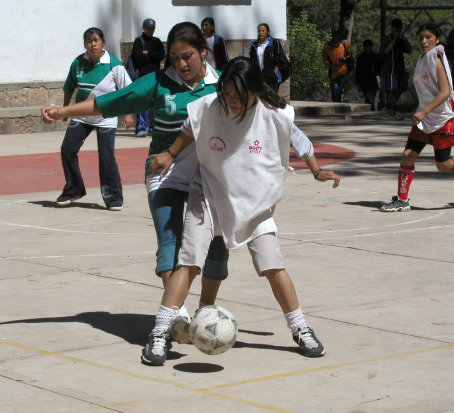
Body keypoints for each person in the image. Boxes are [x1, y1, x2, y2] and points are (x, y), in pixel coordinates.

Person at [141, 56, 340, 366]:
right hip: (207, 193)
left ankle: (300, 328)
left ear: (255, 92)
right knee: (189, 263)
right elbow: (187, 130)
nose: (231, 102)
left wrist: (316, 171)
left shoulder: (273, 113)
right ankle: (159, 332)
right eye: (227, 95)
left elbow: (299, 138)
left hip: (254, 202)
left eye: (238, 97)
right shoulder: (211, 106)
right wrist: (169, 154)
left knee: (273, 265)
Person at [42, 22, 230, 313]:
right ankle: (176, 315)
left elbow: (256, 109)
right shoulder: (157, 82)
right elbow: (108, 103)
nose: (181, 63)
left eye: (188, 56)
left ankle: (206, 309)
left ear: (203, 52)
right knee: (170, 240)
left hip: (208, 177)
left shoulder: (221, 85)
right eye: (175, 56)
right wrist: (63, 111)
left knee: (217, 246)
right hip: (165, 171)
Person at [56, 27, 134, 210]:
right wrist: (66, 110)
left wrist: (129, 114)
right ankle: (74, 189)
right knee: (67, 149)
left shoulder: (114, 66)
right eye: (89, 41)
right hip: (82, 116)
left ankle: (113, 197)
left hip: (106, 116)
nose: (93, 45)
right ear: (85, 44)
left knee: (106, 157)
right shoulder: (78, 63)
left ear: (103, 43)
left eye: (96, 41)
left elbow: (128, 92)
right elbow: (69, 87)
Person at [381, 22, 454, 212]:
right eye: (420, 37)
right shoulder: (423, 59)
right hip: (425, 120)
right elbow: (427, 93)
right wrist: (420, 111)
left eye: (428, 37)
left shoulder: (435, 56)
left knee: (444, 166)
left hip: (442, 120)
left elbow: (446, 92)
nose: (423, 41)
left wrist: (423, 111)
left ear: (436, 39)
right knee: (408, 155)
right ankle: (402, 200)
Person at [131, 18, 165, 137]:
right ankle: (141, 128)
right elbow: (138, 58)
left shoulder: (157, 41)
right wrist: (151, 56)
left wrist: (148, 53)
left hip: (156, 75)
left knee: (154, 103)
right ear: (143, 28)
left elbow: (161, 55)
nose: (150, 30)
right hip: (143, 76)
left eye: (152, 28)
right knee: (143, 103)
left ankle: (153, 128)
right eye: (148, 28)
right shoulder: (138, 41)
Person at [380, 18, 412, 120]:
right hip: (390, 68)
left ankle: (390, 107)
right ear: (392, 28)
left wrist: (404, 39)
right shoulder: (387, 38)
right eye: (395, 28)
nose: (397, 30)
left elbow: (409, 50)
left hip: (400, 68)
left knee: (400, 89)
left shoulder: (401, 40)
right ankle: (392, 109)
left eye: (399, 28)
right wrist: (394, 39)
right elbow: (385, 51)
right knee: (391, 90)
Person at [249, 23, 291, 93]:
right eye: (259, 31)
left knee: (272, 99)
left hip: (271, 77)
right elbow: (252, 60)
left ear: (268, 32)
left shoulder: (274, 43)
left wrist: (275, 72)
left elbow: (280, 58)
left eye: (263, 31)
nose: (261, 33)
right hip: (259, 77)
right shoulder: (254, 45)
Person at [323, 27, 352, 102]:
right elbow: (325, 59)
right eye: (334, 34)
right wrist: (330, 66)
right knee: (335, 87)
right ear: (332, 35)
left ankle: (338, 100)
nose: (336, 36)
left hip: (343, 69)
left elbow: (350, 54)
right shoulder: (327, 46)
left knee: (338, 86)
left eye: (337, 34)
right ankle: (337, 100)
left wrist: (345, 59)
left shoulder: (345, 43)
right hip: (334, 71)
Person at [356, 39, 381, 108]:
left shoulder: (376, 56)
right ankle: (371, 109)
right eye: (365, 47)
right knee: (369, 98)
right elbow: (358, 71)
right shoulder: (360, 58)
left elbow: (379, 69)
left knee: (370, 96)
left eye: (368, 47)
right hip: (364, 81)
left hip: (374, 81)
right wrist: (358, 83)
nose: (366, 48)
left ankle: (369, 107)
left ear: (371, 47)